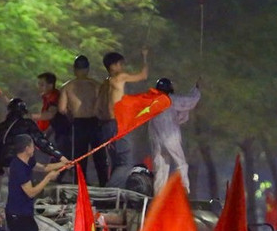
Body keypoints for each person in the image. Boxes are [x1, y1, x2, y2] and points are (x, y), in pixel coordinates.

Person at [4, 134, 65, 231]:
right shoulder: (18, 167)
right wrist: (48, 179)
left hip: (25, 213)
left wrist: (63, 163)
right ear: (27, 148)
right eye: (32, 145)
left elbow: (43, 168)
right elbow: (30, 192)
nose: (34, 148)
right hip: (17, 214)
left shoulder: (27, 161)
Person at [95, 49, 149, 177]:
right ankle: (110, 191)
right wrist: (145, 57)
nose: (122, 67)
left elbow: (97, 108)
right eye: (120, 64)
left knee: (115, 161)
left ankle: (114, 193)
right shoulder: (120, 77)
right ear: (113, 65)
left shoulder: (105, 83)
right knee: (125, 162)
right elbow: (143, 75)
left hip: (106, 125)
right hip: (118, 124)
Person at [57, 55, 107, 184]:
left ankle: (80, 184)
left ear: (74, 69)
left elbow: (62, 108)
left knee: (80, 157)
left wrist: (71, 115)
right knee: (99, 156)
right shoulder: (96, 85)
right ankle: (103, 183)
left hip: (79, 123)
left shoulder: (67, 87)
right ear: (87, 69)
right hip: (94, 122)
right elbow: (101, 107)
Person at [149, 77, 201, 193]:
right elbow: (189, 102)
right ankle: (183, 190)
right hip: (170, 138)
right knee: (181, 163)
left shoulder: (153, 103)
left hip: (157, 141)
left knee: (161, 168)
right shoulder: (170, 100)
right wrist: (196, 90)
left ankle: (158, 196)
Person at [0, 99, 64, 177]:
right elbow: (41, 142)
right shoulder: (26, 124)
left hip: (4, 164)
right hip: (20, 162)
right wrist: (59, 155)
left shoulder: (0, 127)